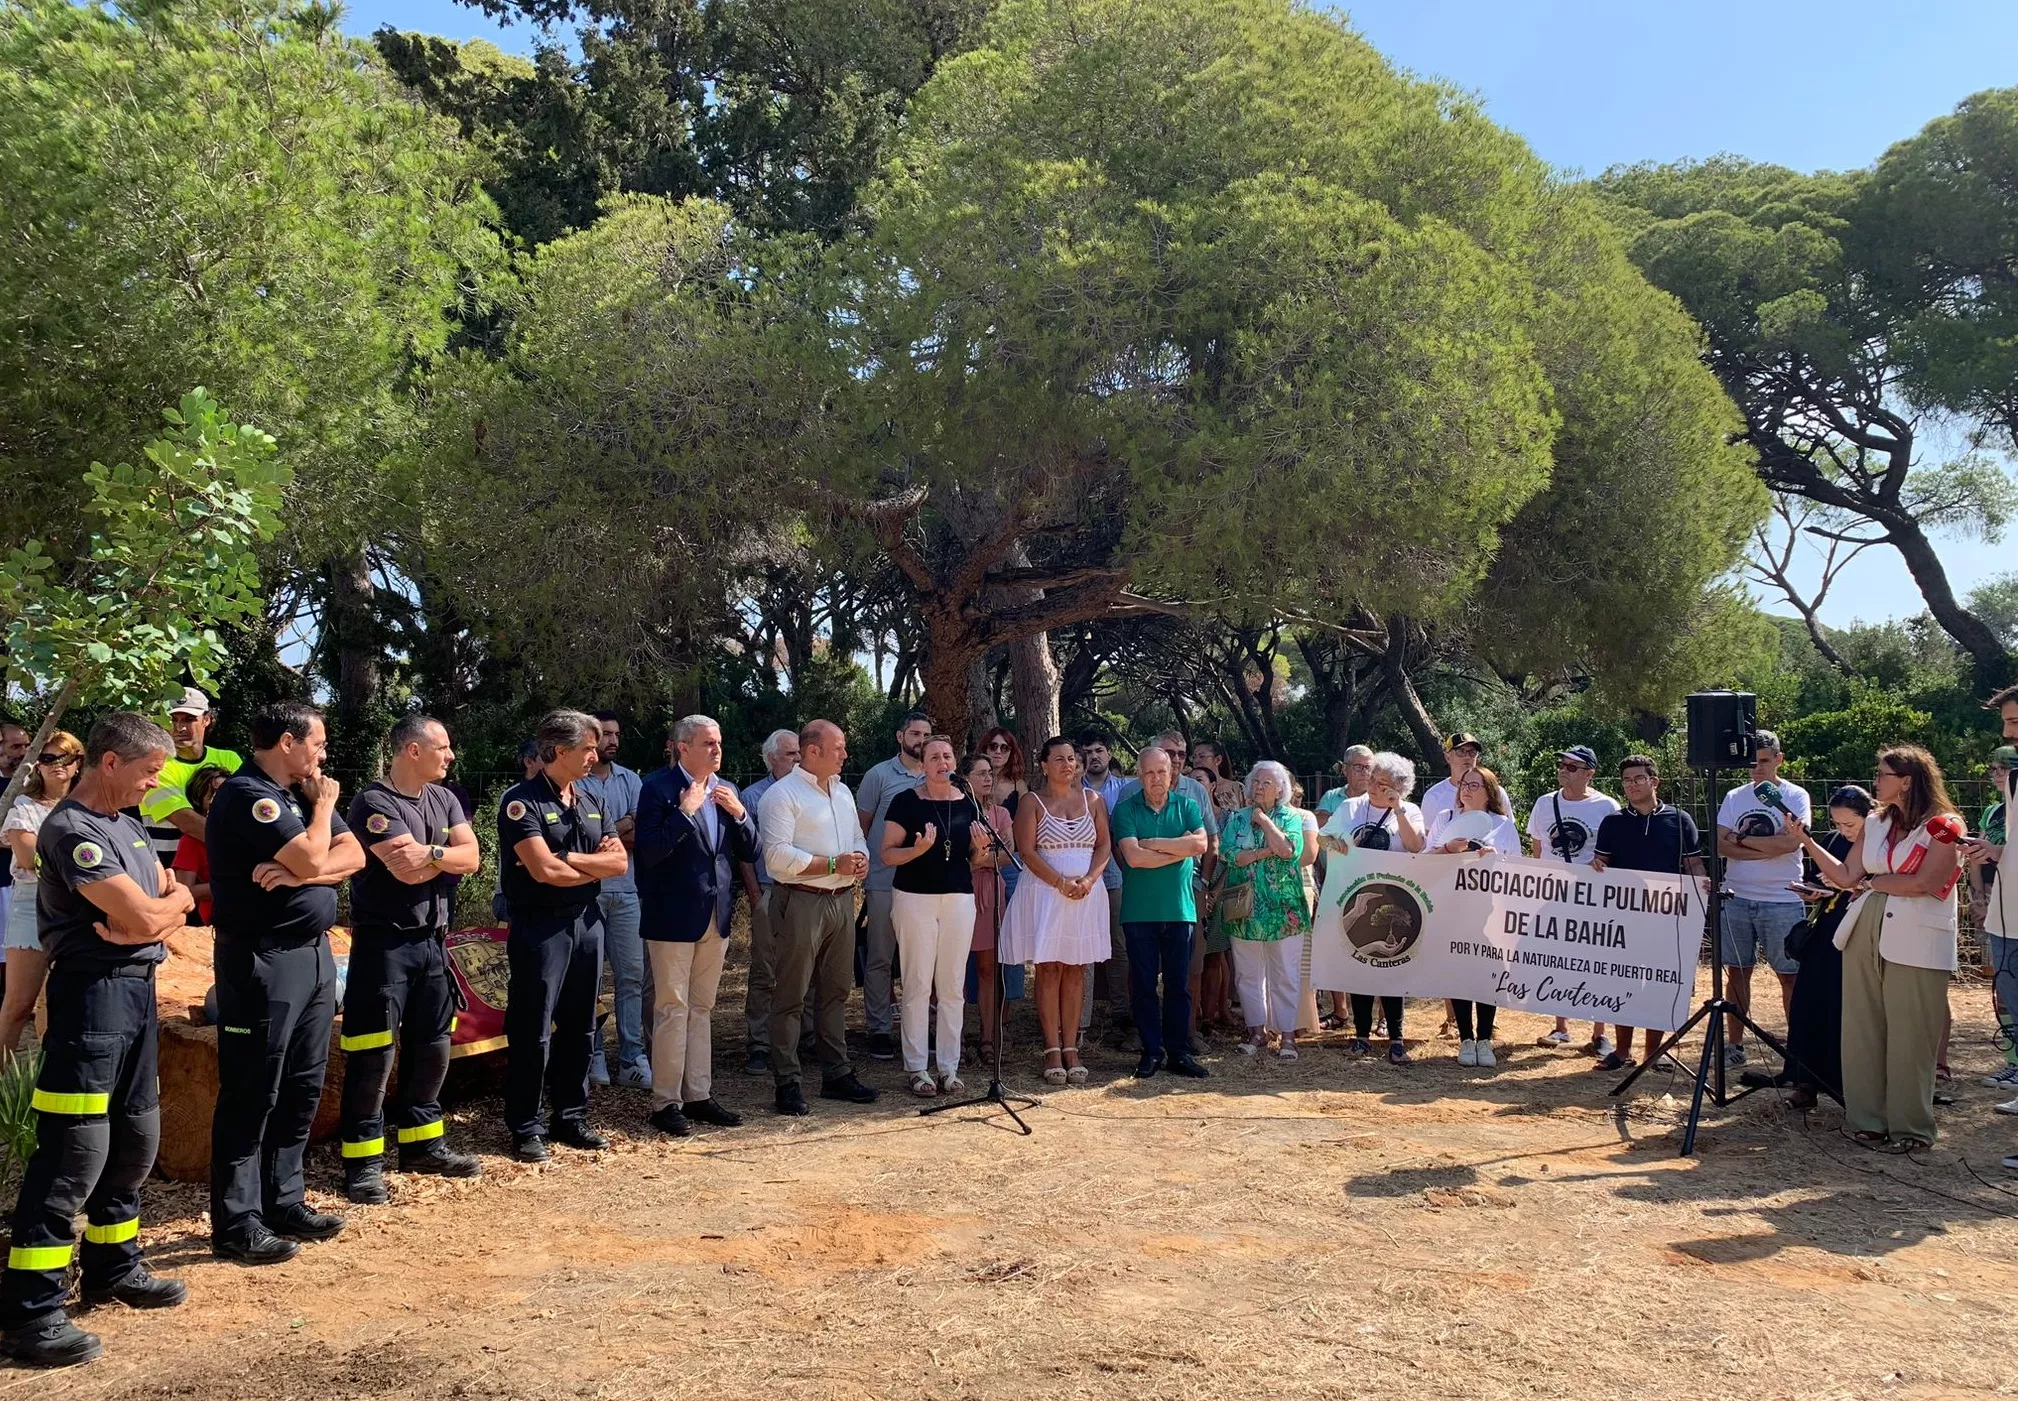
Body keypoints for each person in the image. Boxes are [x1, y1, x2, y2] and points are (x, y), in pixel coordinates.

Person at [0, 715, 193, 1368]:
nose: (156, 782)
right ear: (109, 762)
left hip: (137, 990)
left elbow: (166, 901)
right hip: (90, 997)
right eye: (148, 771)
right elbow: (143, 912)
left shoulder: (130, 824)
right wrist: (151, 916)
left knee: (136, 1138)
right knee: (72, 1154)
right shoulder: (73, 830)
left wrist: (163, 910)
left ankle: (115, 1266)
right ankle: (31, 1311)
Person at [207, 701, 366, 1263]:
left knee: (302, 1086)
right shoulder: (252, 795)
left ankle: (284, 1199)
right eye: (317, 743)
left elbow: (354, 856)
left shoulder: (303, 790)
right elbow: (310, 848)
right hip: (262, 960)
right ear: (286, 742)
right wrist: (323, 813)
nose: (322, 755)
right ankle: (237, 1222)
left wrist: (309, 868)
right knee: (252, 1091)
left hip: (315, 957)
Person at [336, 716, 483, 1205]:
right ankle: (362, 1164)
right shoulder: (373, 802)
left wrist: (432, 853)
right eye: (442, 747)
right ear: (413, 750)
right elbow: (402, 869)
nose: (451, 755)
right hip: (385, 945)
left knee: (432, 1046)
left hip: (433, 942)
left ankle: (422, 1146)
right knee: (374, 1053)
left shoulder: (445, 798)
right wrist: (442, 856)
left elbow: (474, 858)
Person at [1788, 745, 1960, 1152]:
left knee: (1911, 1031)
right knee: (1863, 1026)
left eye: (1884, 774)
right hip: (1866, 926)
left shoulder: (1944, 824)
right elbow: (1847, 875)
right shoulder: (1877, 821)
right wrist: (1806, 843)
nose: (1876, 781)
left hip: (1917, 933)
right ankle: (1867, 1119)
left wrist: (1871, 883)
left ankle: (1911, 1128)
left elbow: (1927, 882)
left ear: (1908, 780)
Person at [497, 709, 629, 1162]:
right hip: (541, 927)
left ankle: (571, 1117)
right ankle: (526, 1125)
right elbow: (543, 871)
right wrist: (581, 866)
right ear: (558, 752)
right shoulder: (522, 802)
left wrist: (568, 860)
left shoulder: (591, 799)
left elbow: (618, 865)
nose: (594, 755)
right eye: (587, 748)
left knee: (580, 1024)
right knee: (533, 1027)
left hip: (587, 922)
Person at [633, 715, 757, 1137]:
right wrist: (685, 813)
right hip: (671, 916)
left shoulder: (728, 791)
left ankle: (699, 1095)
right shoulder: (657, 788)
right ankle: (666, 1101)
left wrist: (740, 815)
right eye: (708, 743)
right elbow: (650, 851)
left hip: (715, 916)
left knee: (701, 1009)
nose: (717, 750)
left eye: (719, 742)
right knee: (672, 1008)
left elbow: (750, 851)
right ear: (682, 748)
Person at [759, 720, 877, 1115]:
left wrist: (860, 860)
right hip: (800, 901)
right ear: (813, 752)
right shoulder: (782, 796)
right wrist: (831, 862)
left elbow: (857, 838)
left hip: (841, 900)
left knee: (836, 991)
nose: (845, 754)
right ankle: (787, 1081)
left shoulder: (842, 792)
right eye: (838, 747)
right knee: (791, 994)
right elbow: (776, 857)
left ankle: (836, 1074)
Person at [1001, 737, 1112, 1086]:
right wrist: (1061, 883)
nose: (1068, 765)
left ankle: (1071, 1047)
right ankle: (1051, 1049)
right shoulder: (1032, 802)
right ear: (1044, 765)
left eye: (1072, 759)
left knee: (1076, 968)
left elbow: (1105, 844)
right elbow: (1027, 851)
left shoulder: (1094, 800)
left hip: (1086, 893)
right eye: (1060, 759)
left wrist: (1090, 880)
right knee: (1049, 969)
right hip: (1046, 892)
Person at [879, 736, 983, 1096]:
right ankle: (918, 1067)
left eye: (948, 756)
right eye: (934, 757)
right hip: (914, 898)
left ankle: (949, 1068)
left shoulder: (968, 802)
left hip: (958, 898)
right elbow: (888, 854)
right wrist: (918, 848)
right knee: (919, 983)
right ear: (922, 765)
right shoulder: (905, 801)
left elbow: (974, 857)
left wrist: (982, 850)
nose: (942, 762)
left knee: (953, 985)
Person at [1589, 755, 1707, 1072]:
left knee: (1658, 984)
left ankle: (1654, 1053)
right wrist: (1596, 869)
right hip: (1623, 919)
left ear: (1654, 781)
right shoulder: (1612, 822)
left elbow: (1693, 865)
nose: (1631, 785)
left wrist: (1701, 895)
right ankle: (1622, 1051)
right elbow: (1601, 865)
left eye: (1638, 778)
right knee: (1621, 982)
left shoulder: (1680, 821)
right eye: (1626, 780)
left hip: (1667, 918)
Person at [1319, 750, 1425, 1063]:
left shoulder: (1410, 811)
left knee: (1392, 969)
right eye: (1374, 780)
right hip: (1357, 898)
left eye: (1383, 784)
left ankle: (1396, 1039)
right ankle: (1361, 1036)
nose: (1375, 787)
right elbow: (1324, 837)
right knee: (1359, 967)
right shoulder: (1351, 806)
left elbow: (1416, 845)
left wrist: (1399, 810)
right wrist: (1332, 844)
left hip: (1395, 898)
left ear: (1400, 788)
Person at [1110, 746, 1210, 1079]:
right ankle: (1152, 1051)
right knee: (1143, 985)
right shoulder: (1125, 809)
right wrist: (1175, 848)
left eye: (1162, 772)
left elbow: (1200, 845)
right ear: (1140, 776)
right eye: (1149, 773)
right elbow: (1134, 858)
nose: (1156, 778)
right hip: (1139, 912)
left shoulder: (1189, 805)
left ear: (1173, 775)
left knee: (1179, 985)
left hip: (1180, 911)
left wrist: (1151, 843)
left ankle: (1179, 1052)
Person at [1715, 730, 1812, 1069]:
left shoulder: (1795, 796)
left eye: (1764, 762)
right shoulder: (1733, 797)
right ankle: (1734, 1045)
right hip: (1737, 897)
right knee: (1737, 973)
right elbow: (1720, 845)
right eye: (1752, 763)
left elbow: (1791, 844)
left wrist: (1741, 842)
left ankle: (1798, 1049)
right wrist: (1764, 846)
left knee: (1790, 975)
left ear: (1779, 760)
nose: (1757, 769)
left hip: (1783, 900)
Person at [1776, 785, 1870, 1108]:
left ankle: (1850, 1087)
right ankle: (1804, 1084)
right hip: (1825, 931)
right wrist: (1811, 890)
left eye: (1850, 825)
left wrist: (1848, 885)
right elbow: (1821, 877)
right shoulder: (1831, 841)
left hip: (1857, 931)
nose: (1843, 831)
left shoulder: (1875, 844)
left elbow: (1858, 880)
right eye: (1837, 824)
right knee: (1807, 1003)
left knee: (1843, 1009)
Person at [1527, 744, 1622, 1056]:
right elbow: (1538, 847)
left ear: (1589, 774)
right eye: (1562, 765)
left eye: (1571, 767)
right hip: (1554, 893)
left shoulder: (1607, 806)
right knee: (1557, 959)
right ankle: (1561, 1026)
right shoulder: (1545, 803)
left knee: (1598, 963)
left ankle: (1599, 1032)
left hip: (1593, 896)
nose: (1563, 771)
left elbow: (1616, 854)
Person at [1427, 763, 1522, 1068]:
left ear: (1489, 792)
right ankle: (1465, 1038)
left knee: (1487, 972)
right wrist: (1447, 850)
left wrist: (1498, 859)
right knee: (1459, 972)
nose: (1466, 790)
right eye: (1464, 784)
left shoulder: (1502, 824)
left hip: (1490, 909)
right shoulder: (1446, 819)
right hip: (1452, 907)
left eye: (1474, 785)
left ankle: (1485, 1039)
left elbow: (1518, 868)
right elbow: (1423, 861)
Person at [0, 731, 84, 1052]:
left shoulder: (86, 807)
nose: (57, 765)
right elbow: (29, 859)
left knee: (64, 1005)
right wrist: (84, 864)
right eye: (48, 758)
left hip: (78, 910)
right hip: (32, 908)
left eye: (65, 757)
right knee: (19, 1006)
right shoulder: (24, 807)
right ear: (37, 765)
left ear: (78, 763)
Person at [1220, 761, 1310, 1060]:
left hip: (1284, 910)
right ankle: (1256, 1031)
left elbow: (1289, 851)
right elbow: (1230, 855)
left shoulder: (1290, 817)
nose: (1258, 787)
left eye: (1266, 783)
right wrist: (1263, 851)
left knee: (1285, 972)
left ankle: (1286, 1036)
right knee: (1247, 974)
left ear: (1280, 789)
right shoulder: (1236, 818)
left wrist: (1265, 822)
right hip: (1244, 908)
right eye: (1255, 782)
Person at [578, 711, 648, 1090]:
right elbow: (580, 842)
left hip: (627, 892)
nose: (612, 740)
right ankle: (593, 1055)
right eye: (605, 734)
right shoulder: (576, 781)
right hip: (588, 894)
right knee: (590, 981)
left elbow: (642, 835)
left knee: (632, 977)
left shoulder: (632, 780)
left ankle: (632, 1058)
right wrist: (619, 828)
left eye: (616, 733)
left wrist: (604, 835)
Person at [857, 712, 932, 1062]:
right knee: (880, 958)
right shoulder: (879, 775)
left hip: (929, 887)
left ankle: (918, 1028)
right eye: (914, 733)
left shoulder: (938, 776)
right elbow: (861, 826)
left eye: (926, 734)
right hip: (885, 881)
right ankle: (879, 1029)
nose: (920, 739)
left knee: (922, 960)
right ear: (900, 736)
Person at [737, 728, 800, 1076]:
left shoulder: (809, 793)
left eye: (799, 754)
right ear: (772, 757)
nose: (797, 759)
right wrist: (756, 895)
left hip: (804, 893)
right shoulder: (751, 796)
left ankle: (801, 1040)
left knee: (803, 968)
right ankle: (759, 1044)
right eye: (791, 754)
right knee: (764, 969)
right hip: (768, 889)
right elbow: (744, 853)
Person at [137, 688, 243, 867]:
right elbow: (189, 824)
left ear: (206, 719)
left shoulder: (230, 759)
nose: (179, 728)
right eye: (173, 719)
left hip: (224, 872)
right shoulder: (154, 767)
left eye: (189, 719)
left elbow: (246, 810)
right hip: (169, 875)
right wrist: (249, 849)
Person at [1315, 745, 1374, 1027]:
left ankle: (1382, 1018)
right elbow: (1321, 828)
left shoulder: (1380, 798)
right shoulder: (1331, 797)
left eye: (1369, 767)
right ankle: (1340, 1011)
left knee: (1373, 949)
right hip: (1336, 883)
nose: (1365, 772)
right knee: (1335, 945)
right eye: (1359, 767)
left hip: (1373, 883)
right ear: (1345, 769)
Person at [1079, 730, 1131, 1045]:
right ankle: (1081, 1019)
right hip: (1079, 879)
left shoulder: (1125, 788)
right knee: (1081, 947)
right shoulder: (1072, 790)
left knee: (1118, 946)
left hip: (1116, 876)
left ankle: (1121, 1013)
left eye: (1099, 749)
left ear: (1109, 754)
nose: (1094, 756)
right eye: (1088, 751)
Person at [962, 752, 1015, 1063]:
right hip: (960, 892)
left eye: (989, 774)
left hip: (992, 890)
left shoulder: (1001, 815)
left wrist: (979, 858)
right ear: (965, 777)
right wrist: (979, 857)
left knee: (988, 968)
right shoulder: (955, 811)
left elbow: (1009, 855)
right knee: (952, 970)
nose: (987, 778)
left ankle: (987, 1037)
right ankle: (952, 1040)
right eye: (980, 773)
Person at [168, 765, 230, 926]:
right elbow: (184, 890)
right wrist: (233, 886)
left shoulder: (251, 829)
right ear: (198, 798)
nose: (221, 797)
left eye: (226, 791)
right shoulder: (190, 842)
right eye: (213, 792)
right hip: (219, 920)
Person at [0, 723, 28, 958]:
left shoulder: (33, 783)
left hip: (25, 883)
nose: (24, 752)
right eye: (16, 746)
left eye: (27, 745)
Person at [1418, 733, 1486, 827]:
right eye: (1461, 751)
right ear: (1448, 757)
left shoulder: (1492, 791)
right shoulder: (1433, 796)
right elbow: (1427, 838)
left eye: (1472, 752)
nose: (1467, 757)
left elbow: (1507, 829)